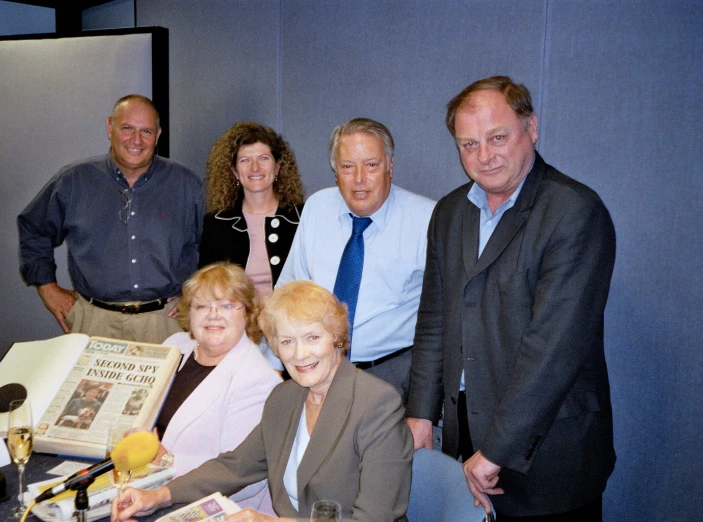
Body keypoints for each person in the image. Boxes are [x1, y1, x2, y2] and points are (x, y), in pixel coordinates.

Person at [406, 76, 616, 521]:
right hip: (463, 442)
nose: (484, 155)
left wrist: (495, 450)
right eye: (468, 144)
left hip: (547, 462)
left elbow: (552, 352)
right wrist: (421, 414)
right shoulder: (449, 212)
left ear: (532, 128)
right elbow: (434, 320)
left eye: (497, 137)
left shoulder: (574, 212)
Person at [111, 280, 413, 522]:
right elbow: (236, 466)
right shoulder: (285, 396)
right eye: (286, 342)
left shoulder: (377, 403)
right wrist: (160, 495)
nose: (299, 355)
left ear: (336, 337)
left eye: (312, 338)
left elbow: (376, 517)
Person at [18, 94, 204, 344]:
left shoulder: (186, 184)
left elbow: (211, 245)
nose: (136, 140)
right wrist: (46, 287)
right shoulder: (74, 181)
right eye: (127, 128)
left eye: (146, 131)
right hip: (94, 321)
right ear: (110, 127)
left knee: (171, 385)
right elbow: (33, 229)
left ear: (158, 135)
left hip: (166, 323)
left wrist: (197, 292)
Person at [277, 118, 435, 402]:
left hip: (390, 376)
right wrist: (275, 366)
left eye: (371, 165)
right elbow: (288, 290)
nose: (359, 178)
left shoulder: (427, 220)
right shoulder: (317, 207)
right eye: (348, 167)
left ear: (390, 166)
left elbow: (443, 320)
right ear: (335, 170)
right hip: (313, 370)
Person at [154, 263, 282, 513]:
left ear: (247, 314)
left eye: (226, 305)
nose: (213, 314)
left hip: (211, 508)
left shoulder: (259, 380)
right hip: (146, 487)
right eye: (201, 306)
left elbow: (244, 480)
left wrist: (162, 461)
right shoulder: (173, 346)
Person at [199, 122, 304, 297]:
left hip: (288, 318)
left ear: (277, 167)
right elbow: (207, 285)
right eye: (245, 160)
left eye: (263, 158)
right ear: (234, 171)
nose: (255, 168)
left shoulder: (302, 218)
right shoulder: (216, 223)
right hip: (236, 320)